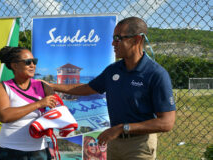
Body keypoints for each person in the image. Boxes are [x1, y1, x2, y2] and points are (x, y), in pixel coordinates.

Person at [45, 17, 176, 160]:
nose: (113, 43)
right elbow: (87, 88)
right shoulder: (113, 70)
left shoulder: (156, 74)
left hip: (139, 146)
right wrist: (52, 86)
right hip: (115, 142)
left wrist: (122, 128)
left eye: (118, 38)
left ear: (137, 39)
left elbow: (166, 123)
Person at [0, 46, 57, 160]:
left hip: (39, 150)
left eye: (34, 61)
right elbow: (4, 115)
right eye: (28, 62)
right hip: (10, 150)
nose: (33, 65)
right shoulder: (2, 87)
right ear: (14, 65)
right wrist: (38, 104)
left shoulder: (42, 86)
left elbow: (57, 108)